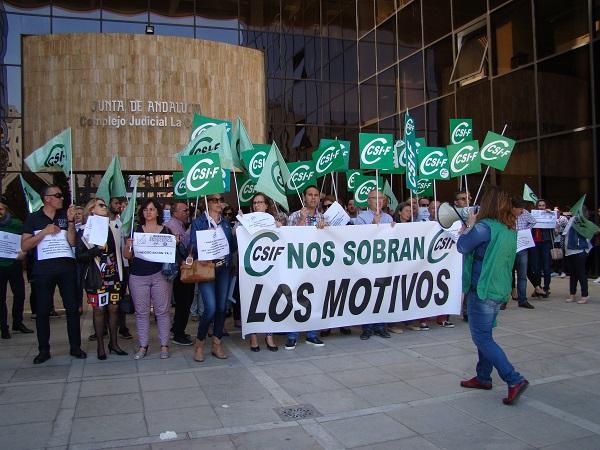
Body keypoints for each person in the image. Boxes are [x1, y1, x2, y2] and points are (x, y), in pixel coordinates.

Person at [457, 186, 529, 405]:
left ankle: (513, 378)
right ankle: (483, 377)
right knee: (485, 334)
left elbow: (462, 246)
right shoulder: (508, 228)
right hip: (499, 288)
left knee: (482, 337)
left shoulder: (483, 228)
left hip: (482, 288)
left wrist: (470, 225)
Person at [21, 185, 86, 364]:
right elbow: (25, 246)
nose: (62, 198)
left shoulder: (65, 216)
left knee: (72, 309)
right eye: (58, 195)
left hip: (66, 269)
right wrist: (44, 232)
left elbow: (72, 242)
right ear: (47, 199)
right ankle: (43, 350)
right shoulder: (33, 218)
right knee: (42, 311)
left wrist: (71, 222)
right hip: (43, 271)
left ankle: (75, 346)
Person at [76, 198, 127, 359]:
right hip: (96, 275)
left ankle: (114, 343)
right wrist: (96, 250)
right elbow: (80, 256)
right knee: (99, 310)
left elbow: (119, 249)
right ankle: (100, 346)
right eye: (101, 205)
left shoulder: (114, 227)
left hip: (113, 273)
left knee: (114, 309)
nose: (105, 207)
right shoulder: (84, 230)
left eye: (105, 205)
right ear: (91, 210)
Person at [190, 193, 236, 362]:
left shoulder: (224, 223)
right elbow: (193, 247)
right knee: (210, 307)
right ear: (206, 203)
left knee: (222, 307)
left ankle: (217, 343)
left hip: (223, 268)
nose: (219, 203)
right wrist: (206, 237)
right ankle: (200, 343)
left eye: (220, 200)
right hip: (206, 269)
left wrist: (237, 232)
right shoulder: (199, 222)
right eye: (214, 200)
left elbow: (231, 247)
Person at [124, 198, 173, 360]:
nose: (148, 212)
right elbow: (127, 256)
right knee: (141, 312)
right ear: (141, 212)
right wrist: (128, 246)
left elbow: (171, 255)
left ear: (158, 212)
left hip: (160, 275)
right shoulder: (135, 230)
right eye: (145, 209)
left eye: (152, 209)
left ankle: (164, 345)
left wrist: (175, 242)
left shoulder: (166, 231)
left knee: (163, 311)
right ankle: (143, 345)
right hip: (138, 276)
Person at [285, 186, 326, 350]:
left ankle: (312, 334)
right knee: (295, 297)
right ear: (304, 197)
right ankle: (292, 335)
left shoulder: (323, 217)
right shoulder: (295, 215)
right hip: (297, 263)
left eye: (316, 195)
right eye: (310, 195)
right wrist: (302, 220)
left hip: (316, 264)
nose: (313, 198)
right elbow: (289, 237)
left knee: (314, 298)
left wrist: (326, 230)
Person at [244, 193, 281, 351]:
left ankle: (269, 335)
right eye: (255, 203)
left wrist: (281, 228)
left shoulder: (274, 222)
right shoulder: (245, 222)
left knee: (269, 300)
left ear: (266, 205)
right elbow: (235, 236)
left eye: (260, 202)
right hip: (251, 268)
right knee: (252, 301)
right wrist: (240, 224)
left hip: (270, 267)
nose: (257, 205)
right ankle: (253, 336)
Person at [355, 189, 393, 340]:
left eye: (381, 198)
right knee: (368, 294)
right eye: (374, 198)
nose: (378, 201)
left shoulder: (389, 217)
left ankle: (380, 326)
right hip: (368, 263)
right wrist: (372, 225)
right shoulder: (361, 217)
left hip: (384, 263)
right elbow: (359, 237)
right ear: (368, 200)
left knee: (383, 294)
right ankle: (367, 327)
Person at [0, 195, 33, 339]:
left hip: (14, 263)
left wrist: (23, 252)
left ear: (6, 209)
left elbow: (25, 240)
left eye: (0, 208)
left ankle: (18, 322)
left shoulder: (17, 223)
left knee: (19, 294)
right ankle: (3, 326)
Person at [165, 201, 194, 346]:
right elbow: (179, 248)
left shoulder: (179, 225)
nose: (187, 212)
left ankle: (177, 329)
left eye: (188, 210)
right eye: (185, 210)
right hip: (180, 270)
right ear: (175, 212)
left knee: (185, 302)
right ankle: (178, 332)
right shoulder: (172, 226)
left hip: (183, 268)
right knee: (183, 302)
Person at [564, 206, 592, 304]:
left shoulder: (583, 223)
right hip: (569, 251)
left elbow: (588, 236)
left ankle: (585, 295)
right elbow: (565, 233)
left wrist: (586, 250)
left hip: (579, 250)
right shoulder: (570, 220)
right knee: (573, 274)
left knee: (581, 273)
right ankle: (572, 294)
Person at [512, 198, 536, 309]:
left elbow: (533, 221)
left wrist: (526, 231)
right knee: (507, 274)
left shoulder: (525, 213)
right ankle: (503, 300)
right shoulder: (505, 215)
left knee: (522, 275)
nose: (522, 211)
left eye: (523, 209)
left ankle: (522, 300)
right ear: (513, 208)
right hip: (509, 247)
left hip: (522, 247)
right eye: (520, 209)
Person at [529, 199, 553, 298]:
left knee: (546, 266)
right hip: (535, 243)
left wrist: (551, 214)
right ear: (536, 206)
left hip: (545, 242)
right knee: (536, 267)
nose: (541, 207)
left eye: (543, 205)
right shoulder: (533, 215)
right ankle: (537, 288)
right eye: (539, 205)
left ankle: (546, 288)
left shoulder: (549, 214)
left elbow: (556, 224)